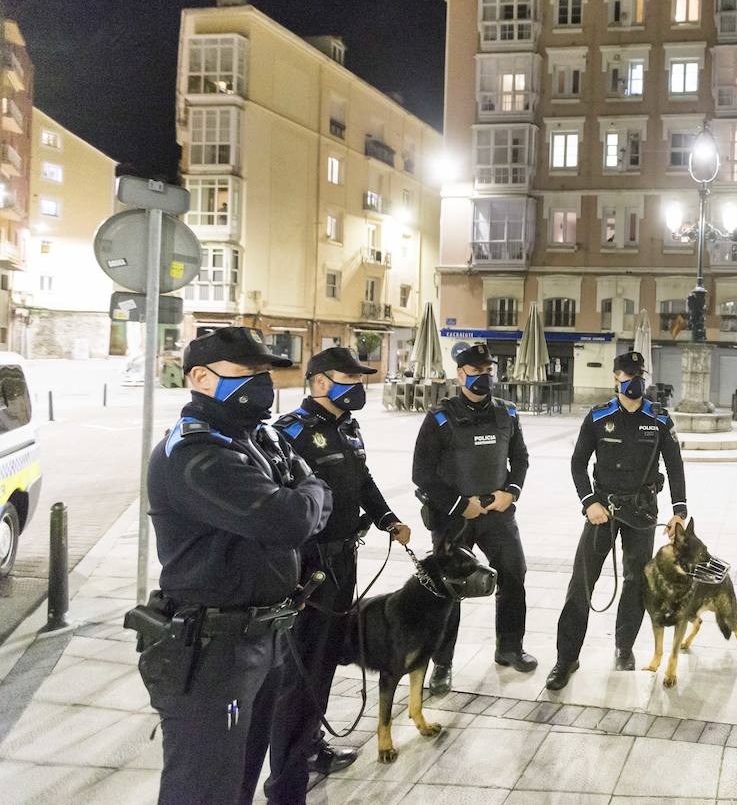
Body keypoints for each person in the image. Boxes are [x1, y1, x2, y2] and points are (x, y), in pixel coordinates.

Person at [134, 327, 332, 805]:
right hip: (212, 650)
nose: (262, 383)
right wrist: (311, 494)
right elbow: (292, 518)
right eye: (247, 373)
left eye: (265, 372)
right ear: (201, 378)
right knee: (204, 788)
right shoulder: (197, 453)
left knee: (239, 779)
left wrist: (309, 494)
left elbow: (310, 495)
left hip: (264, 637)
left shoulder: (255, 438)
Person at [263, 347, 413, 802]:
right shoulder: (287, 433)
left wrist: (387, 519)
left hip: (343, 560)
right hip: (309, 566)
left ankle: (310, 745)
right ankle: (285, 777)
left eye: (360, 378)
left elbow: (361, 482)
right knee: (301, 668)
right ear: (320, 382)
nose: (359, 386)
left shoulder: (347, 427)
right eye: (349, 378)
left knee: (326, 657)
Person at [546, 350, 687, 691]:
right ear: (615, 379)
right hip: (602, 513)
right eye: (626, 375)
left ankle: (624, 648)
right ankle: (567, 658)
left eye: (638, 375)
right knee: (581, 583)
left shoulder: (660, 419)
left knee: (637, 582)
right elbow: (578, 464)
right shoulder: (597, 417)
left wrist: (679, 512)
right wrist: (589, 502)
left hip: (642, 513)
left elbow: (676, 466)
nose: (633, 381)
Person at [412, 341, 534, 694]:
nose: (484, 376)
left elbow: (521, 459)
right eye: (476, 371)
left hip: (497, 513)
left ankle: (509, 647)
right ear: (460, 374)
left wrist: (510, 493)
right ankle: (443, 663)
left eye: (488, 370)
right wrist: (459, 504)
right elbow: (422, 473)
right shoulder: (439, 417)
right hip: (455, 517)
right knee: (447, 589)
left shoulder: (507, 413)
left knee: (514, 573)